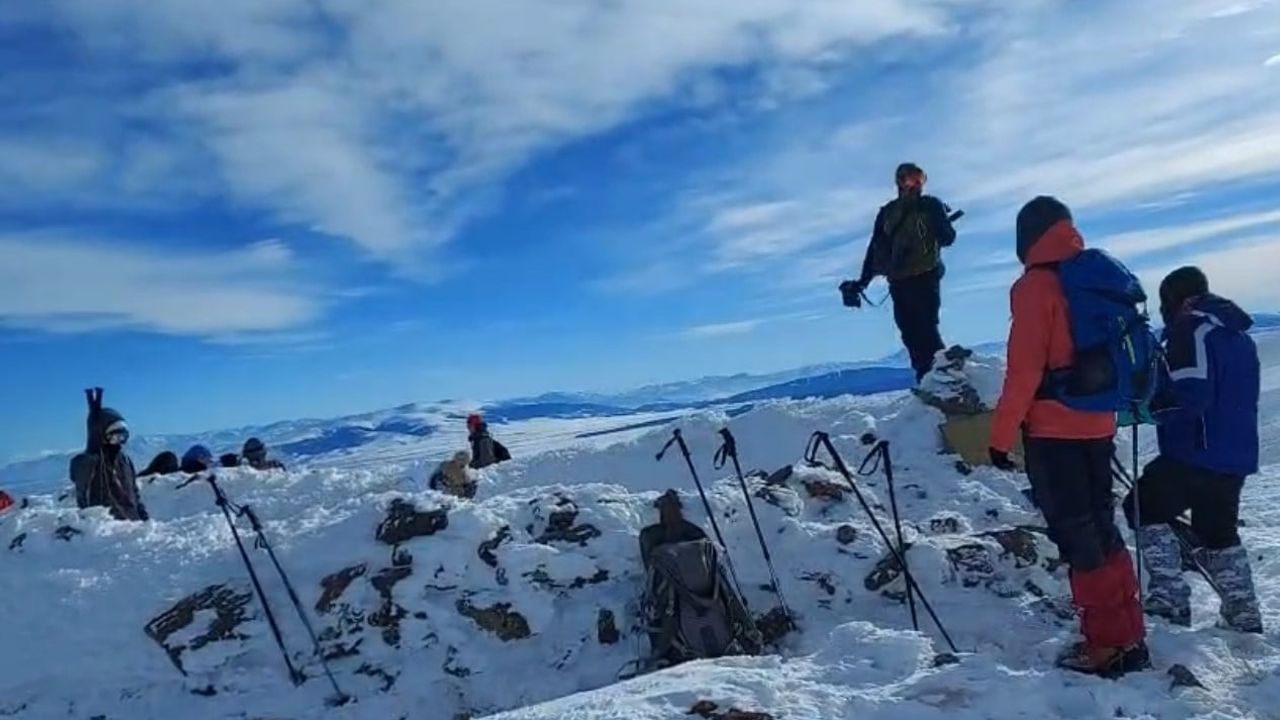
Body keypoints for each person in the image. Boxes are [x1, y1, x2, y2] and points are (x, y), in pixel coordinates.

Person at [988, 197, 1146, 676]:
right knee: (1101, 527)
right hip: (1099, 423)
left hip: (1056, 430)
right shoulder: (1094, 275)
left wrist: (999, 437)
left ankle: (1105, 646)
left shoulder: (1036, 286)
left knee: (1078, 536)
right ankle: (1129, 634)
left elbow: (1024, 370)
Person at [1122, 267, 1262, 633]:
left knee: (1141, 506)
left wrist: (1147, 409)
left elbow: (1191, 393)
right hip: (1236, 454)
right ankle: (1243, 614)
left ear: (1179, 300)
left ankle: (1169, 600)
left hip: (1196, 450)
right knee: (1217, 531)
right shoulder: (1238, 336)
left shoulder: (1189, 330)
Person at [843, 163, 958, 381]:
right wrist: (862, 282)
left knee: (922, 330)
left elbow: (947, 238)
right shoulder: (897, 211)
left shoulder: (918, 207)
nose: (914, 185)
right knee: (914, 333)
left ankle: (942, 379)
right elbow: (876, 248)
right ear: (899, 182)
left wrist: (863, 282)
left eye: (918, 179)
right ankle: (932, 379)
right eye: (909, 179)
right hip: (908, 280)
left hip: (917, 278)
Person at [69, 388, 148, 521]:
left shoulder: (124, 460)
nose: (119, 442)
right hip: (105, 530)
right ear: (101, 435)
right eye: (115, 437)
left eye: (123, 437)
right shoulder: (87, 462)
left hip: (132, 527)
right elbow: (79, 477)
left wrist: (142, 515)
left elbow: (134, 493)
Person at [638, 490, 707, 567]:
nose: (669, 512)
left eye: (672, 508)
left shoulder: (694, 532)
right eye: (665, 508)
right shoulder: (650, 534)